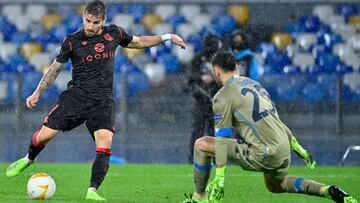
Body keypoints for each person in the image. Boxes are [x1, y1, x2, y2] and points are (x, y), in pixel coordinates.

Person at [6, 0, 185, 201]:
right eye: (87, 21)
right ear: (83, 17)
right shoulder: (72, 41)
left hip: (102, 101)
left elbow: (139, 42)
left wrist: (168, 37)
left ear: (104, 20)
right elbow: (55, 69)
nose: (90, 26)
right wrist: (37, 92)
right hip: (76, 97)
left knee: (105, 142)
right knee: (43, 137)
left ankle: (92, 191)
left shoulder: (114, 33)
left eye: (95, 22)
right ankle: (29, 158)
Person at [183, 51, 357, 203]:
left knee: (202, 144)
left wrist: (220, 178)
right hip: (282, 149)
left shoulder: (222, 96)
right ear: (236, 66)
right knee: (277, 185)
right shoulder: (255, 85)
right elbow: (276, 122)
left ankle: (199, 198)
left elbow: (222, 140)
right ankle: (326, 190)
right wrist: (300, 150)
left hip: (263, 152)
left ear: (216, 71)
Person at [186, 34, 221, 163]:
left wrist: (214, 79)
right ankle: (194, 157)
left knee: (214, 131)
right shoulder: (198, 59)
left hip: (215, 101)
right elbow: (190, 77)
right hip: (201, 100)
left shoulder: (219, 60)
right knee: (198, 131)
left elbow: (226, 77)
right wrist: (201, 78)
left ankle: (214, 157)